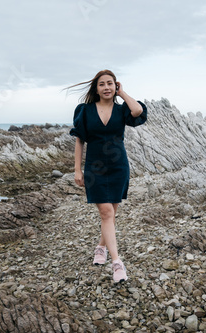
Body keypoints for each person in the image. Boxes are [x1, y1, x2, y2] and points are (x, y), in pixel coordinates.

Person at [68, 69, 147, 282]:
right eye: (102, 84)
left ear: (116, 86)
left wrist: (123, 94)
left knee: (110, 213)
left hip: (118, 166)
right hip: (95, 168)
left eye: (110, 84)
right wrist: (78, 169)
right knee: (106, 213)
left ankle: (101, 247)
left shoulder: (122, 110)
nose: (106, 87)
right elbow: (79, 141)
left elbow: (138, 112)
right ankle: (117, 262)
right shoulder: (84, 110)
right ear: (96, 88)